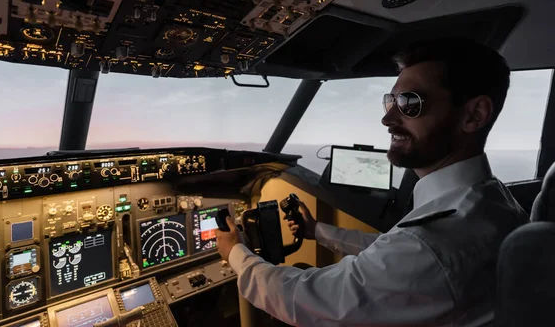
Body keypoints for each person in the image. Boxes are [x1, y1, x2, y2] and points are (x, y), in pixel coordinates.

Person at [215, 38, 529, 326]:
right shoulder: (491, 199)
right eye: (390, 100)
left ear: (474, 115)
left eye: (410, 103)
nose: (388, 118)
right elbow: (389, 256)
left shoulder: (435, 242)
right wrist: (317, 231)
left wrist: (236, 254)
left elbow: (304, 301)